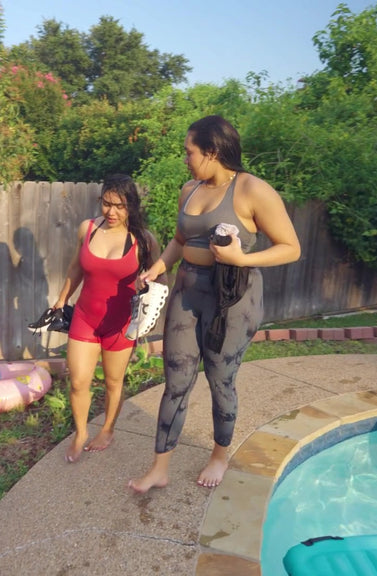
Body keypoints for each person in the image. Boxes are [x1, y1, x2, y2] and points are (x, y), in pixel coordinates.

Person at [128, 115, 301, 492]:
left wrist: (244, 259)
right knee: (175, 379)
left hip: (233, 300)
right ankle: (160, 468)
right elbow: (178, 239)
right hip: (187, 292)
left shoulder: (252, 190)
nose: (185, 159)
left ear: (213, 150)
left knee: (221, 380)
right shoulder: (189, 189)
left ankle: (220, 456)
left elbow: (291, 247)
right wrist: (158, 267)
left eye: (189, 152)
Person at [51, 174, 159, 463]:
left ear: (131, 206)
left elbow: (160, 280)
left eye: (119, 206)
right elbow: (76, 268)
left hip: (120, 324)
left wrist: (146, 286)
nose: (111, 212)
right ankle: (81, 432)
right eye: (106, 204)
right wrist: (62, 299)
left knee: (113, 382)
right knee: (78, 381)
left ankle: (108, 429)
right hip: (86, 318)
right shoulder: (87, 229)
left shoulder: (144, 241)